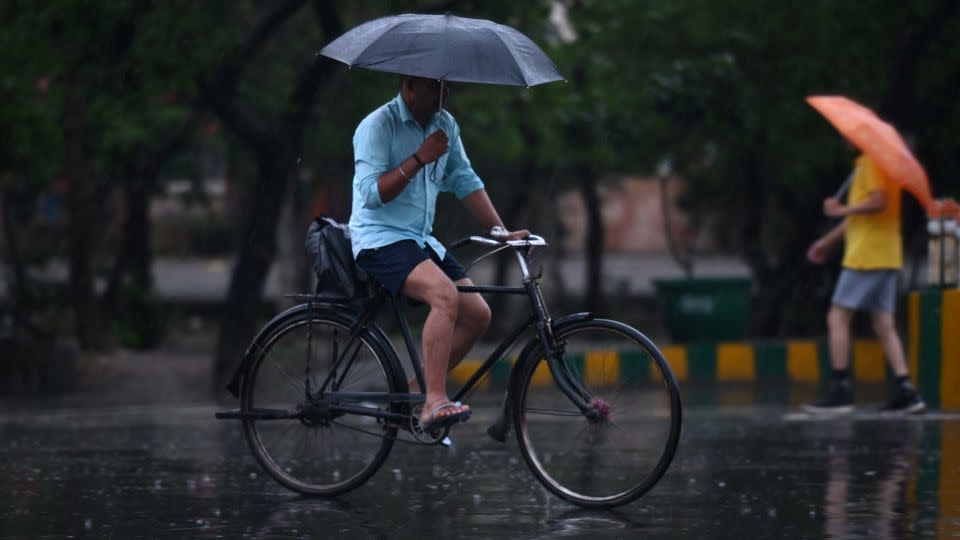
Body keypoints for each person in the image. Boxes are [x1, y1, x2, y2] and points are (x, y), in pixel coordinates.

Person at [348, 76, 529, 432]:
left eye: (448, 88)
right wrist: (418, 158)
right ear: (410, 85)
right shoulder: (377, 125)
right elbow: (371, 194)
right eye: (437, 87)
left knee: (477, 314)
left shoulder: (445, 124)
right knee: (444, 295)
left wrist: (501, 230)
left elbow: (463, 177)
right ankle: (433, 402)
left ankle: (414, 397)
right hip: (379, 240)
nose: (446, 96)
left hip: (420, 240)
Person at [804, 152, 926, 414]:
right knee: (884, 324)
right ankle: (907, 390)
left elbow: (878, 202)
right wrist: (827, 242)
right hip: (887, 253)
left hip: (866, 255)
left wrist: (841, 209)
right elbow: (859, 217)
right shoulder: (879, 165)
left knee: (838, 316)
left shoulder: (872, 162)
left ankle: (840, 389)